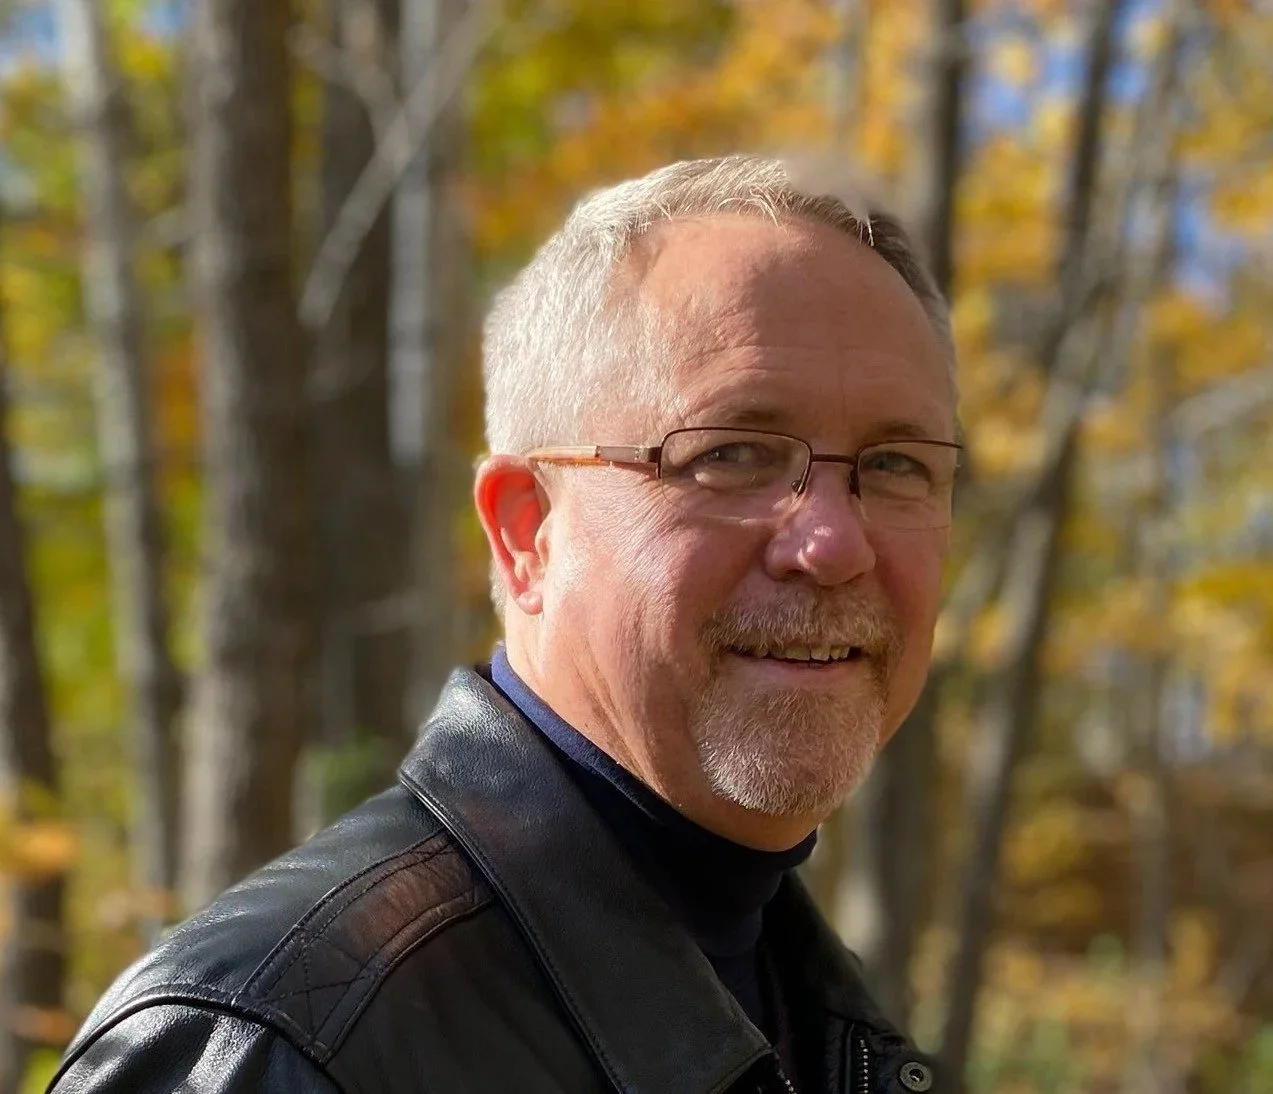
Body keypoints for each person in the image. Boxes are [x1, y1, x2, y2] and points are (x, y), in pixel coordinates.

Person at [50, 155, 958, 1093]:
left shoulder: (821, 1017)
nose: (833, 543)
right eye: (730, 453)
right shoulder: (280, 1048)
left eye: (894, 465)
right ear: (527, 531)